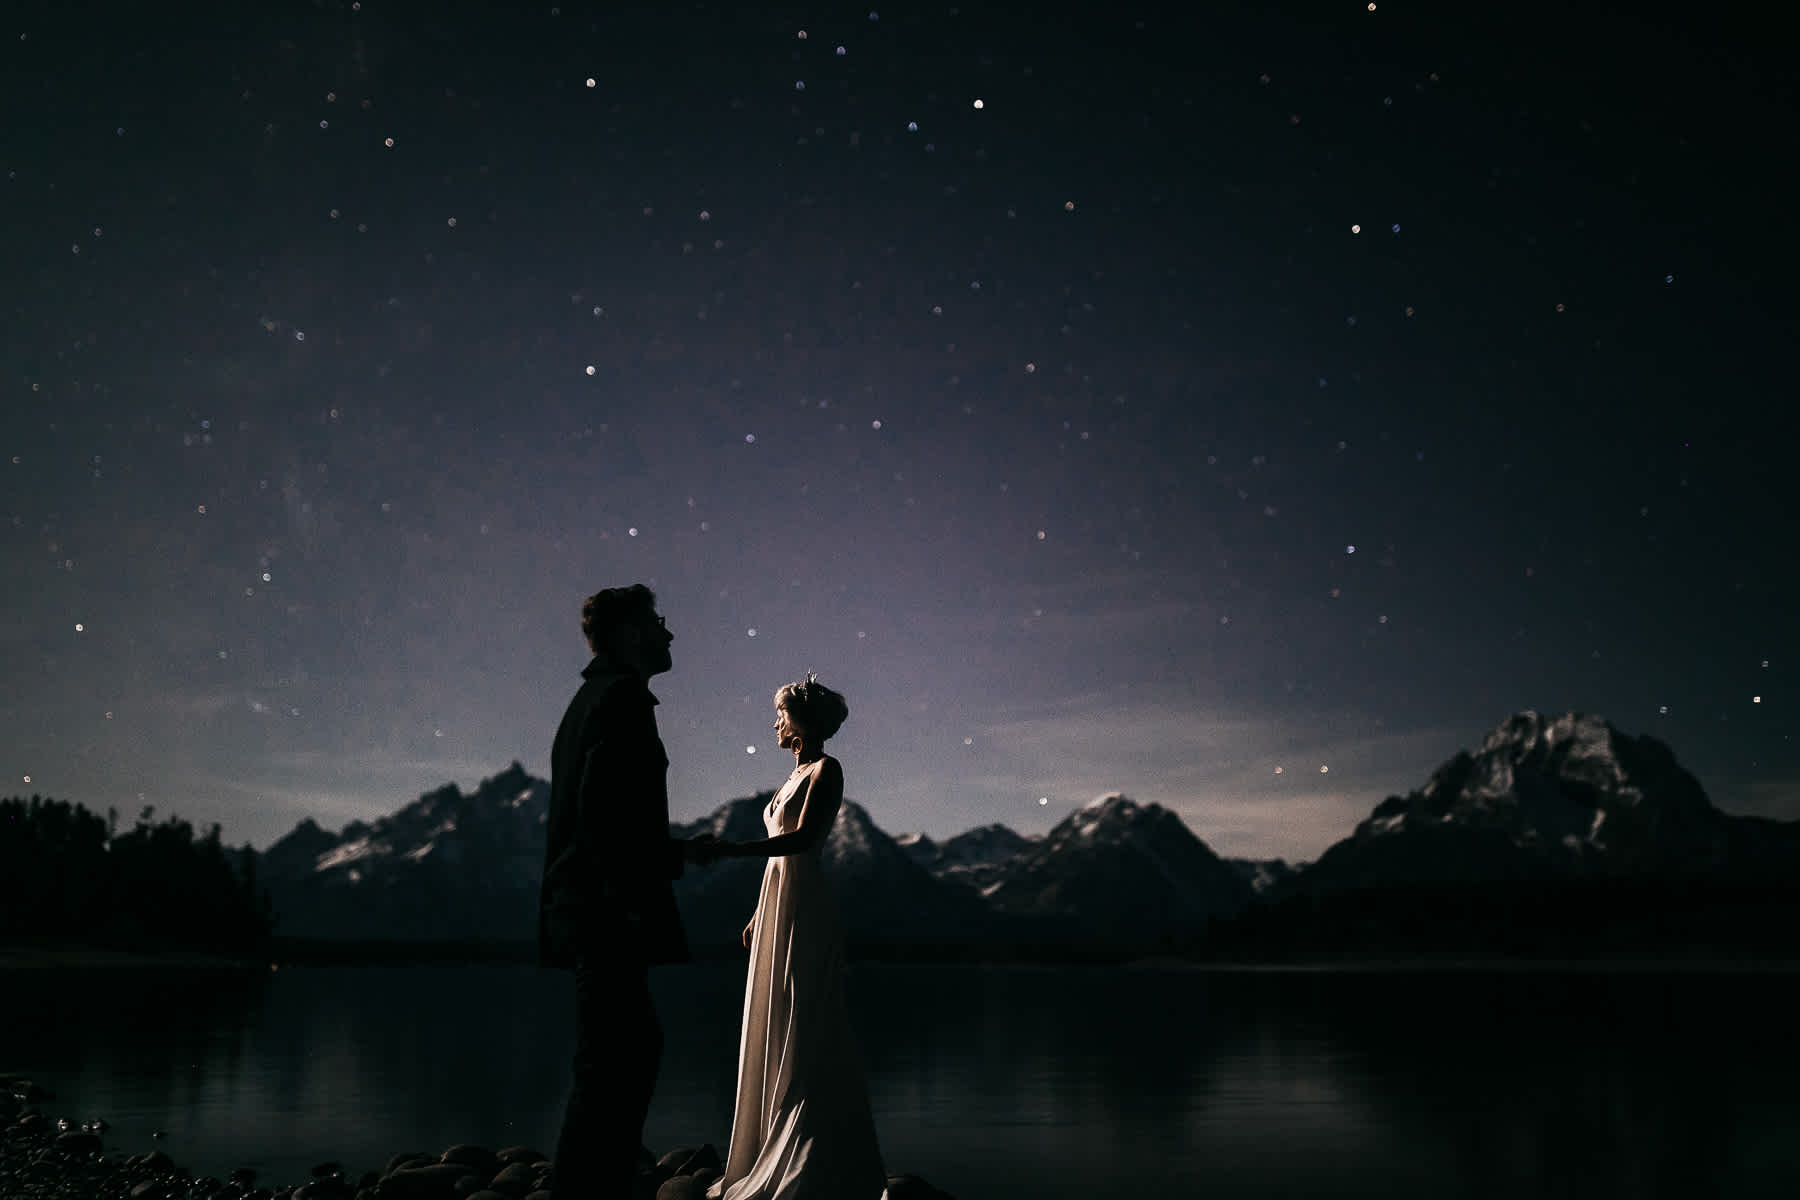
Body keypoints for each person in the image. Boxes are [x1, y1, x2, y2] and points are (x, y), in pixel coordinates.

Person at [539, 584, 718, 1200]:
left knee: (616, 1056)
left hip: (593, 908)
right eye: (657, 623)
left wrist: (670, 852)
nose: (669, 634)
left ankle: (589, 1186)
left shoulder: (595, 698)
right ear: (625, 634)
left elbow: (605, 815)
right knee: (618, 1060)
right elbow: (605, 818)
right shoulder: (620, 700)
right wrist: (657, 867)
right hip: (607, 912)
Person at [705, 674, 889, 1200]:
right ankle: (771, 1145)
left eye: (781, 713)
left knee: (808, 1024)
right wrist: (758, 912)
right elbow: (781, 857)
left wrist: (725, 850)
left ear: (802, 722)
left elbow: (803, 841)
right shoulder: (793, 775)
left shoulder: (827, 771)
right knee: (777, 1018)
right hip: (780, 902)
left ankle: (820, 1157)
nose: (775, 722)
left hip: (806, 908)